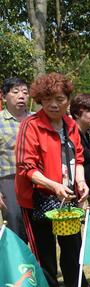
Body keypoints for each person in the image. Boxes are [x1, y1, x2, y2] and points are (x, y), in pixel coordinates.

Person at [15, 73, 89, 287]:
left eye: (59, 98)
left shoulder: (70, 125)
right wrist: (54, 186)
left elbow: (78, 158)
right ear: (39, 100)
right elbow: (26, 168)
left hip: (66, 198)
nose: (54, 104)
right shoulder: (31, 125)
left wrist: (81, 181)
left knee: (72, 248)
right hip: (37, 200)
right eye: (48, 99)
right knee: (44, 254)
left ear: (68, 99)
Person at [0, 77, 30, 241]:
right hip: (9, 181)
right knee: (15, 224)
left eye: (25, 92)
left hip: (37, 181)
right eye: (16, 92)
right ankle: (16, 265)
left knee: (39, 228)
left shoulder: (36, 120)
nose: (21, 96)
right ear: (4, 96)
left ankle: (39, 266)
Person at [70, 93, 90, 206]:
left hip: (82, 190)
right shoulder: (71, 135)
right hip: (70, 192)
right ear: (77, 114)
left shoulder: (85, 134)